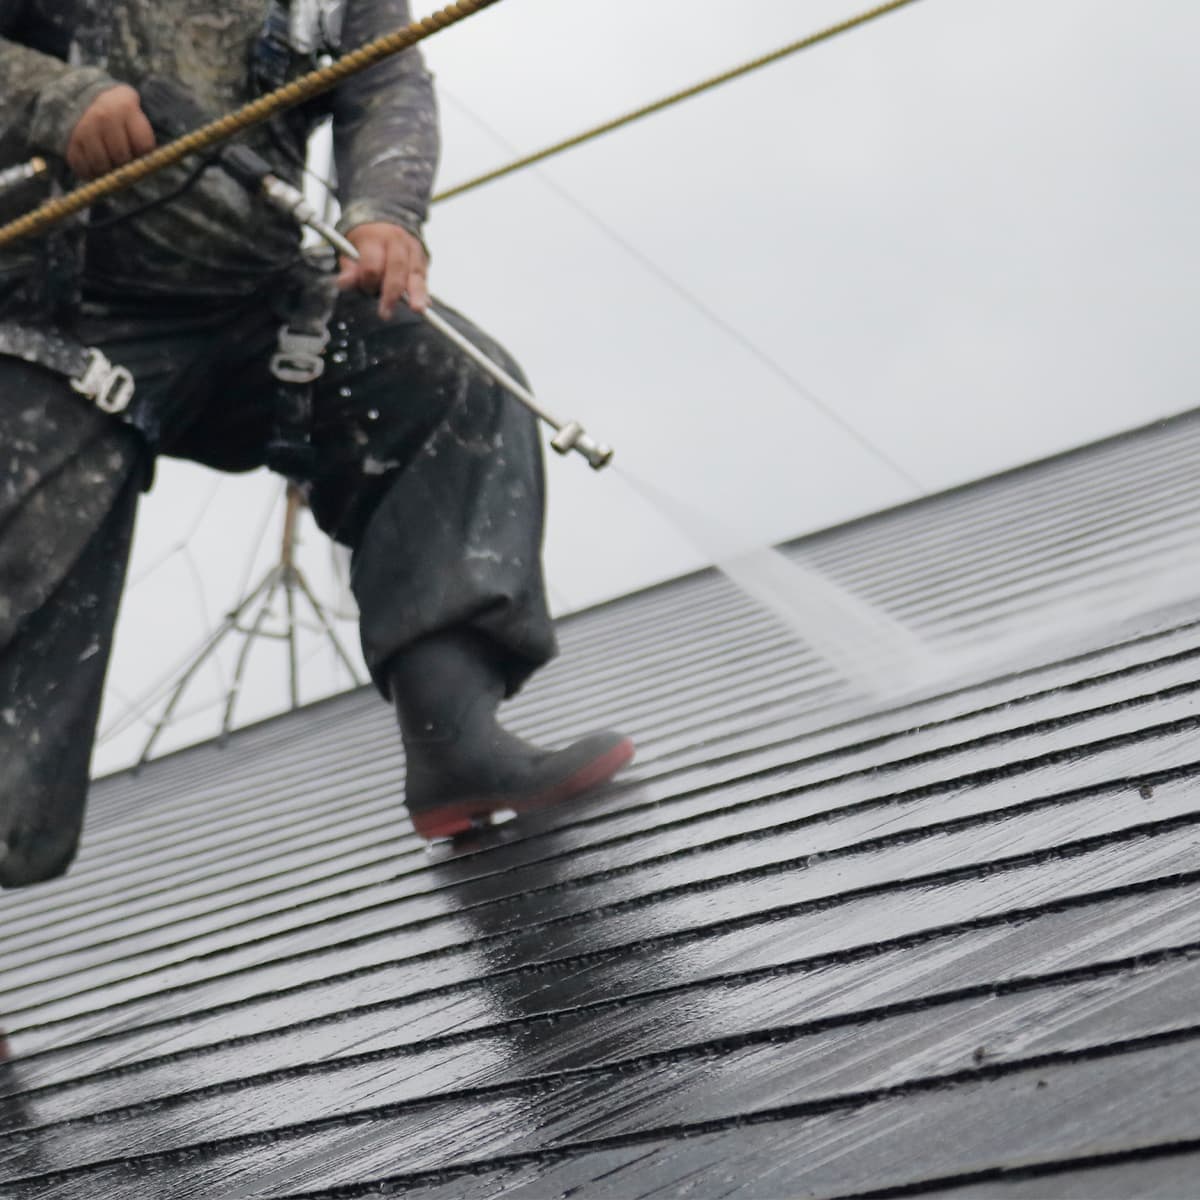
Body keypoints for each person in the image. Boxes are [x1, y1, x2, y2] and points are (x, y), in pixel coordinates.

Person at [0, 0, 633, 889]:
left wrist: (387, 211)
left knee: (441, 376)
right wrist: (51, 96)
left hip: (253, 303)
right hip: (40, 316)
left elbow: (387, 75)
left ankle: (458, 740)